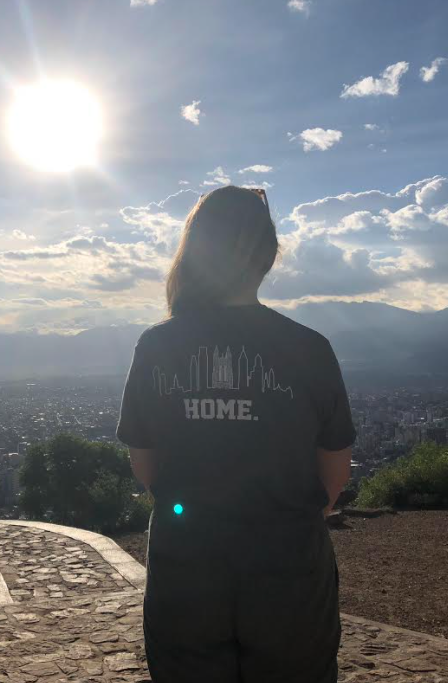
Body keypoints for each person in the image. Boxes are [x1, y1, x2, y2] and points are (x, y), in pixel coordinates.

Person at [116, 186, 355, 683]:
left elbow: (146, 467)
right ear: (268, 256)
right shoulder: (309, 349)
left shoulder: (158, 345)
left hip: (186, 566)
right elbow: (333, 478)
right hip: (289, 566)